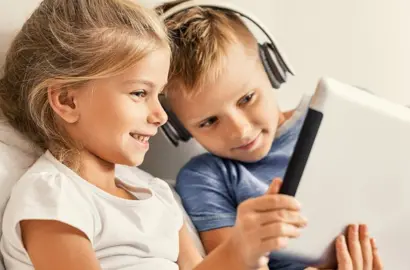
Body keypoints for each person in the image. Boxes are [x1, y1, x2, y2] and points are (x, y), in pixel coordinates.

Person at [0, 0, 381, 269]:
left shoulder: (157, 194)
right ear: (67, 100)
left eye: (157, 94)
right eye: (139, 93)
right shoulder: (53, 195)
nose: (160, 115)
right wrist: (240, 251)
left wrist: (250, 249)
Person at [156, 1, 410, 270]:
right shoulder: (207, 178)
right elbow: (232, 259)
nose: (239, 129)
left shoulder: (353, 110)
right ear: (177, 127)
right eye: (209, 121)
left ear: (271, 69)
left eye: (246, 99)